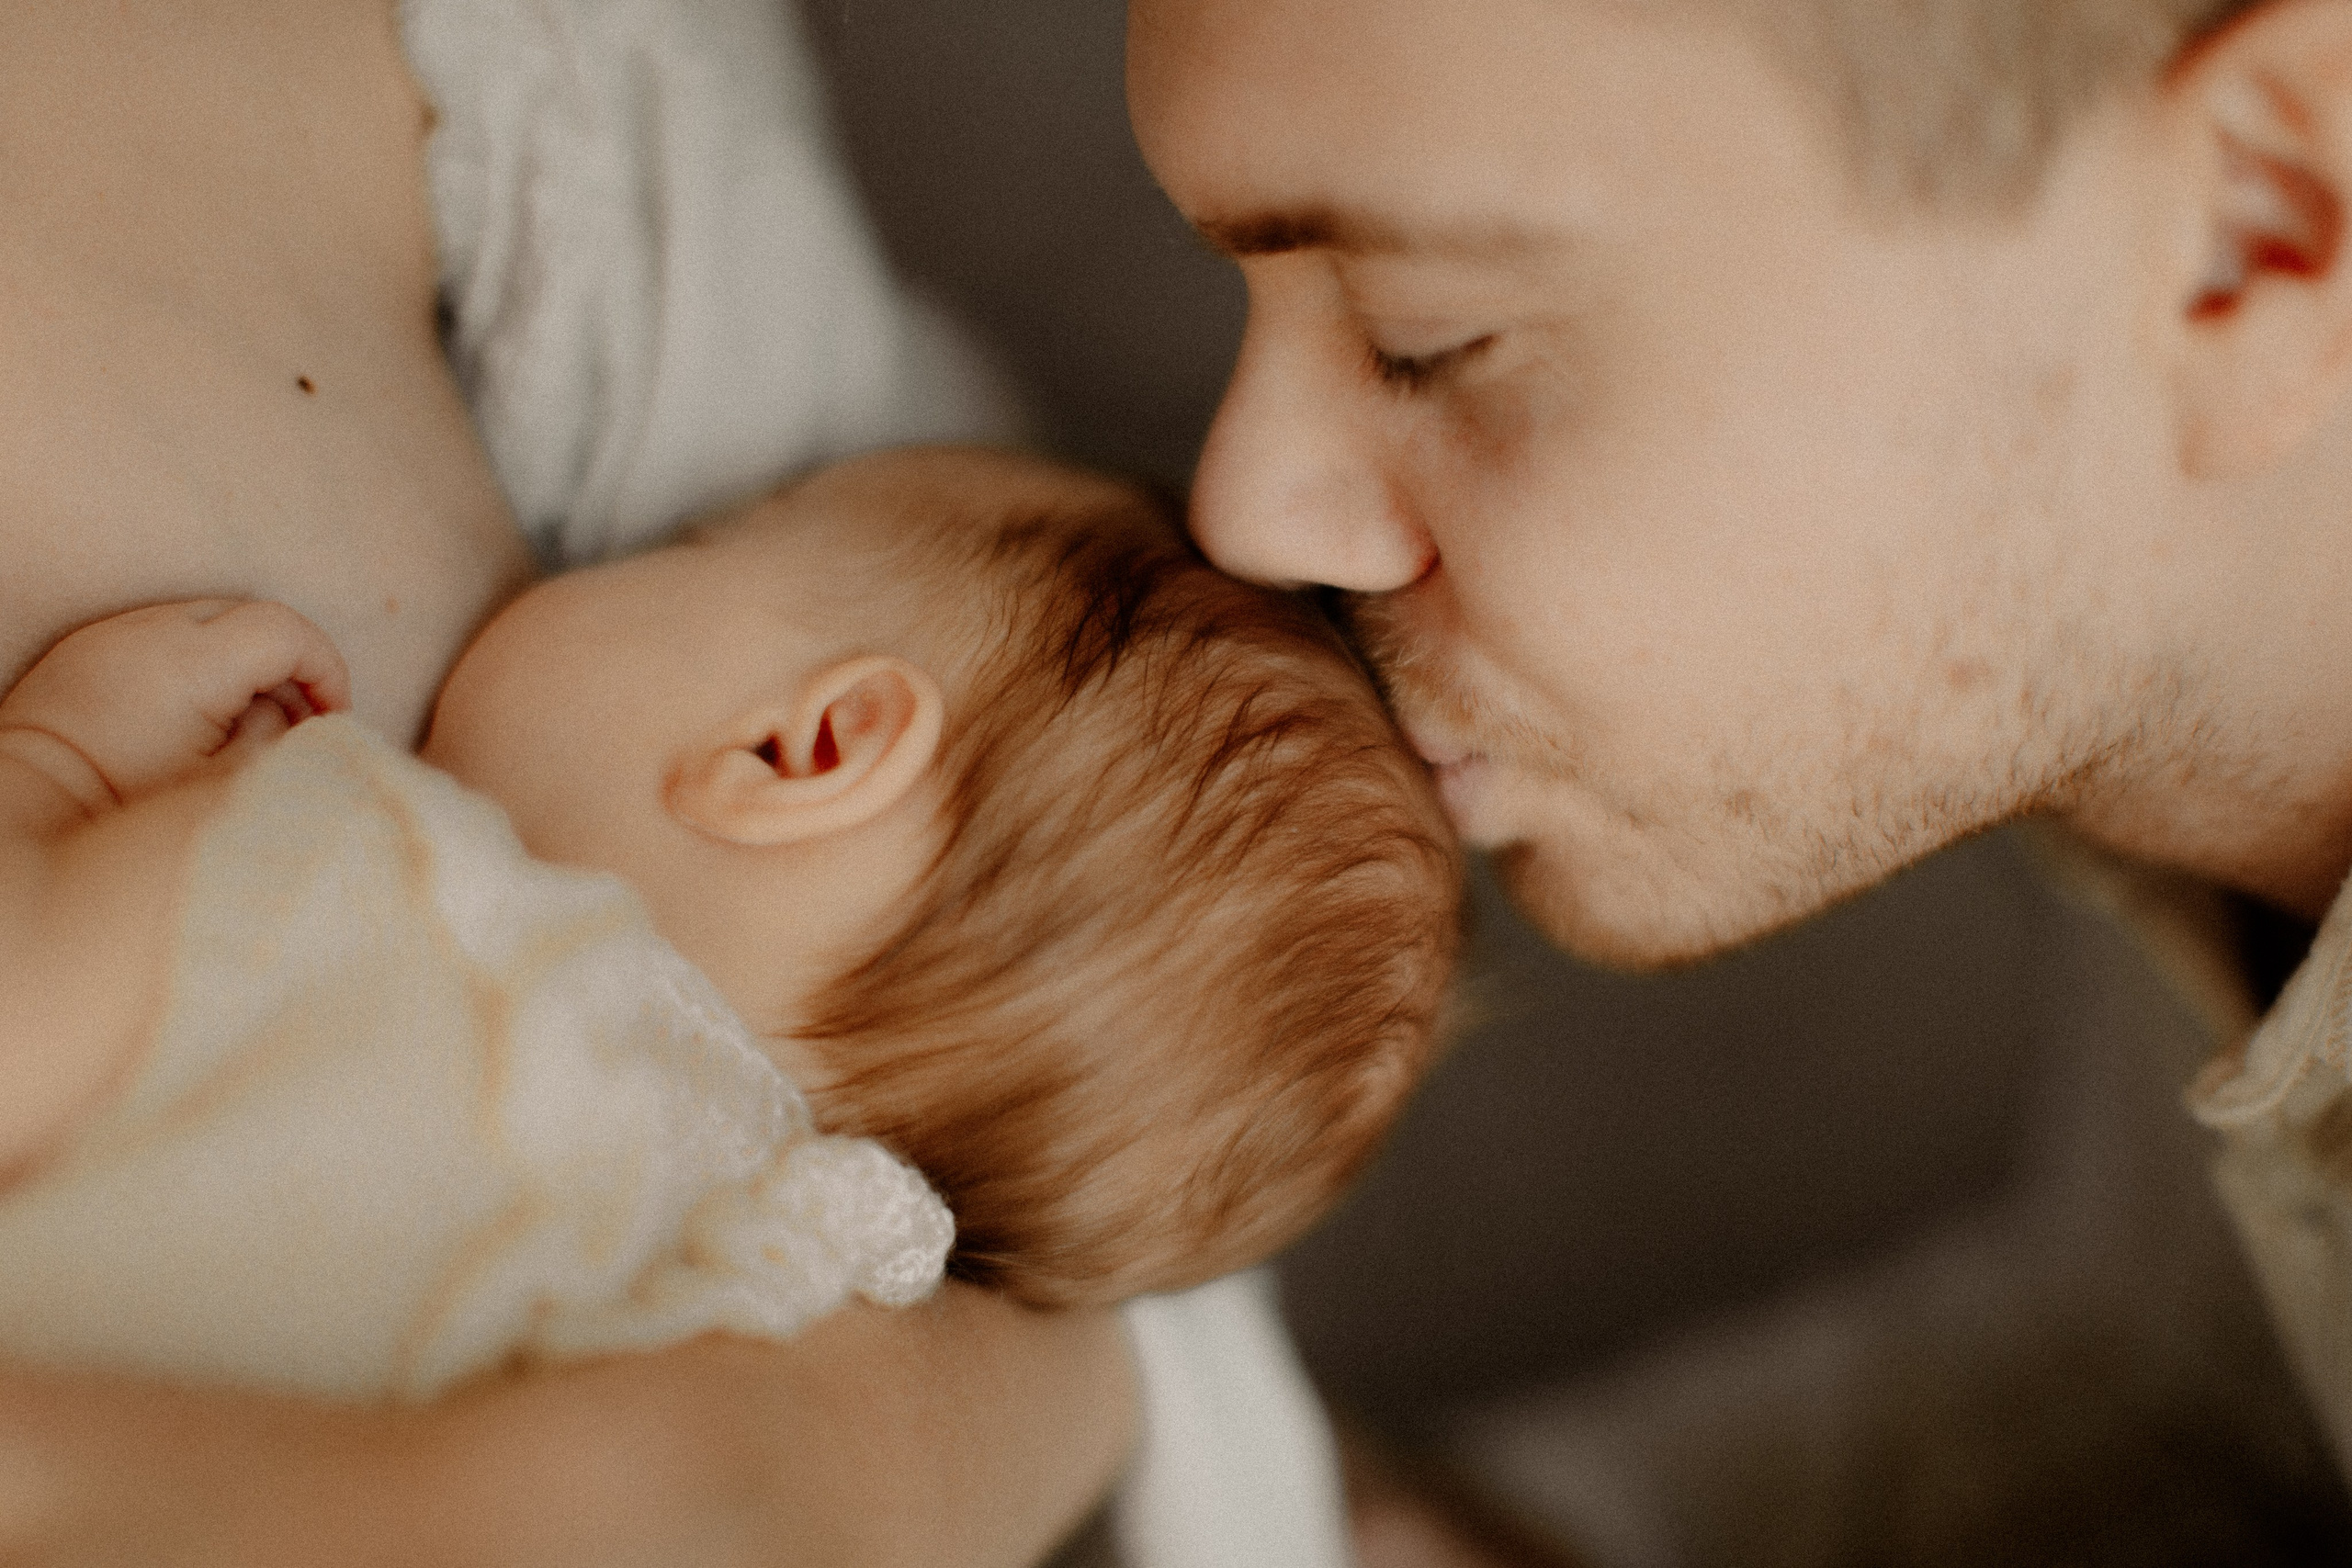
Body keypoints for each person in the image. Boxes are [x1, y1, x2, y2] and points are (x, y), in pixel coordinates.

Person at [1124, 0, 2352, 1557]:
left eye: (1429, 334)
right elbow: (2200, 1398)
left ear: (2260, 226)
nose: (1247, 509)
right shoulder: (2195, 707)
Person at [0, 445, 1456, 1395]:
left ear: (801, 750)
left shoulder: (414, 912)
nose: (615, 541)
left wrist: (58, 770)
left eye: (704, 536)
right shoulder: (718, 1311)